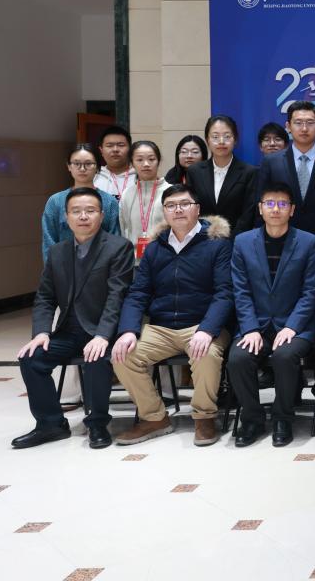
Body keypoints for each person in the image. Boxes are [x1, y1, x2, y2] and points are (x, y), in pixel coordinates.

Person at [112, 184, 234, 447]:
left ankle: (204, 416)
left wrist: (207, 329)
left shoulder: (217, 244)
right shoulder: (155, 248)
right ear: (164, 212)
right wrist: (128, 331)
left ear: (197, 209)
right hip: (162, 327)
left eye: (184, 204)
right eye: (170, 205)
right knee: (122, 355)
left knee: (205, 354)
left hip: (201, 325)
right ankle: (154, 418)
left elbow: (225, 293)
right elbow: (138, 292)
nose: (178, 210)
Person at [14, 187, 134, 450]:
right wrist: (42, 332)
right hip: (69, 331)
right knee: (31, 358)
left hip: (105, 331)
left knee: (96, 358)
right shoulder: (58, 252)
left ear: (101, 215)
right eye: (76, 211)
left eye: (90, 211)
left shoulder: (119, 247)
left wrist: (102, 335)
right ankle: (51, 424)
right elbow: (45, 297)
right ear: (66, 217)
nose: (83, 216)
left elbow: (117, 296)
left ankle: (98, 423)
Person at [229, 182, 315, 448]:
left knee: (284, 356)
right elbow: (241, 291)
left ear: (292, 210)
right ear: (260, 208)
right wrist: (250, 328)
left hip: (295, 326)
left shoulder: (308, 242)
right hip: (255, 324)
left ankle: (283, 418)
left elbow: (310, 291)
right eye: (269, 203)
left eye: (282, 204)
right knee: (238, 358)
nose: (276, 209)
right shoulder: (243, 242)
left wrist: (292, 326)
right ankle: (252, 419)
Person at [256, 101, 315, 249]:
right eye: (298, 123)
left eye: (310, 123)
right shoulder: (271, 163)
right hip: (280, 243)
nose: (304, 128)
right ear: (288, 126)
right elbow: (261, 206)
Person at [41, 144, 120, 262]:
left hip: (101, 268)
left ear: (97, 167)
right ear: (69, 166)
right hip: (63, 267)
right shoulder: (55, 201)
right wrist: (55, 270)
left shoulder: (109, 202)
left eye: (88, 164)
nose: (82, 169)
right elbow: (49, 242)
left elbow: (115, 241)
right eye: (76, 163)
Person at [187, 115, 258, 236]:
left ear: (235, 140)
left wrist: (234, 240)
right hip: (201, 239)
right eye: (215, 137)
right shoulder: (195, 171)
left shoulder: (249, 172)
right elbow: (191, 208)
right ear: (207, 140)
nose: (221, 141)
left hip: (236, 240)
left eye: (227, 136)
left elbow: (248, 213)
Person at [118, 141, 171, 263]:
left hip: (165, 260)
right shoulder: (127, 194)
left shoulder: (171, 192)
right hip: (134, 262)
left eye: (151, 159)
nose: (146, 164)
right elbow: (123, 228)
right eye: (139, 160)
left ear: (158, 161)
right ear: (132, 163)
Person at [93, 125, 135, 201]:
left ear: (130, 149)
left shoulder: (140, 176)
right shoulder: (94, 177)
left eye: (121, 145)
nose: (115, 149)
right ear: (101, 150)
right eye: (109, 146)